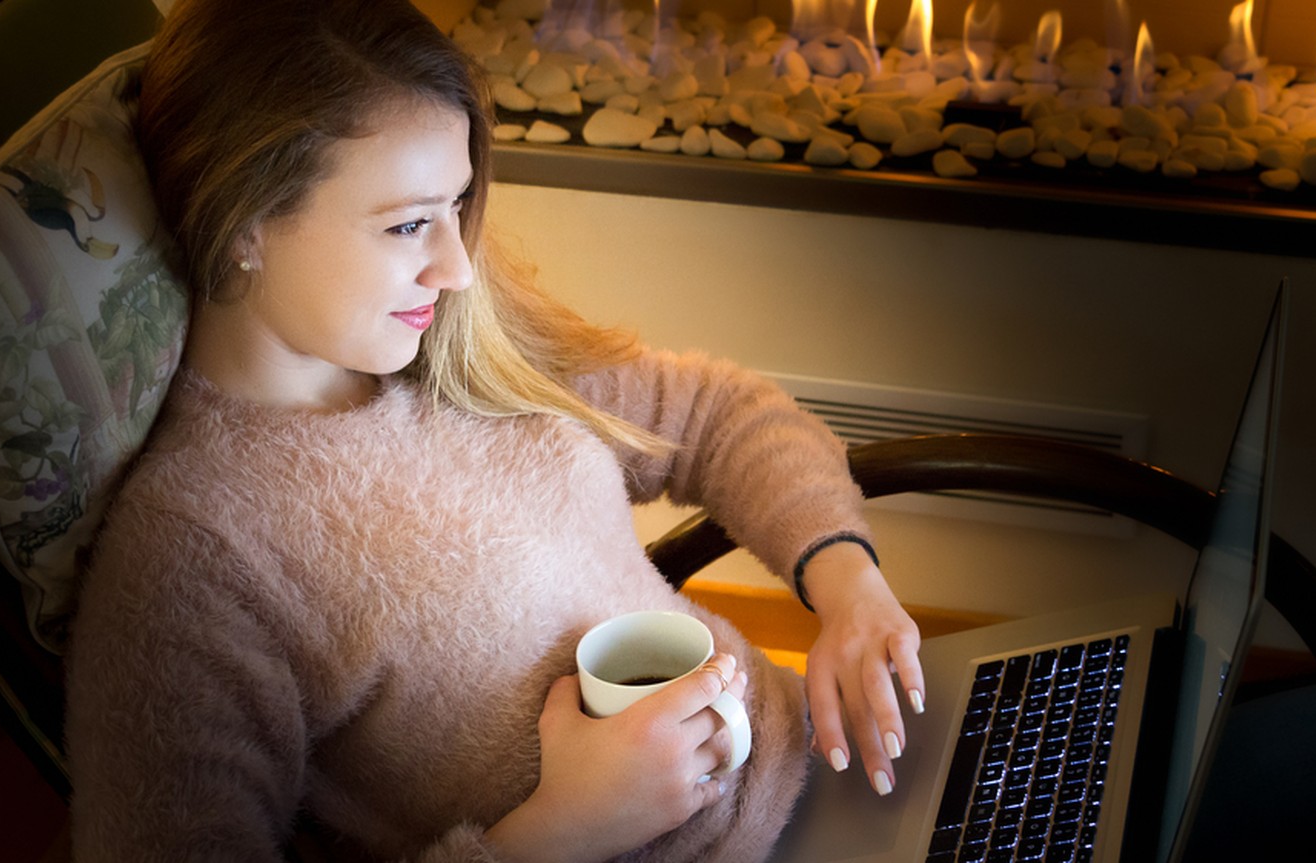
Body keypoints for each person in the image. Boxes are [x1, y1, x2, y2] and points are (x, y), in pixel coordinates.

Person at [64, 0, 925, 860]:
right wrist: (564, 829)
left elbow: (714, 413)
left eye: (458, 206)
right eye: (408, 223)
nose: (457, 266)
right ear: (244, 218)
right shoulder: (194, 559)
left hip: (836, 760)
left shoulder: (462, 346)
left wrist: (847, 586)